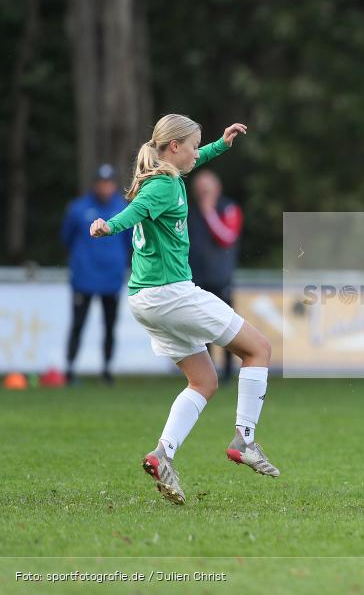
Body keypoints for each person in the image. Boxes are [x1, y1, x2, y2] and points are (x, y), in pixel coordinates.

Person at [89, 114, 279, 505]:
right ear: (174, 147)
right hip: (171, 294)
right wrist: (108, 226)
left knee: (203, 381)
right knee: (259, 349)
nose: (197, 153)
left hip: (144, 300)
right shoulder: (163, 186)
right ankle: (244, 439)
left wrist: (220, 145)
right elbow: (135, 211)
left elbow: (189, 164)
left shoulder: (164, 175)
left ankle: (163, 453)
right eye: (193, 146)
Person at [61, 163, 130, 385]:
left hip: (111, 279)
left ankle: (107, 370)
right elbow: (66, 238)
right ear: (95, 184)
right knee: (78, 324)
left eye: (109, 183)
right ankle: (70, 368)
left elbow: (130, 242)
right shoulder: (78, 208)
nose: (105, 187)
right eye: (102, 182)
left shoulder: (123, 209)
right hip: (84, 278)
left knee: (110, 326)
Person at [188, 169, 244, 381]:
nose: (203, 193)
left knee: (227, 325)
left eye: (207, 189)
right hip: (197, 279)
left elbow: (227, 237)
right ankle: (207, 372)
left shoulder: (228, 208)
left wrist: (209, 213)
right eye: (200, 189)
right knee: (202, 329)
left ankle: (228, 371)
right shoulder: (190, 212)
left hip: (221, 277)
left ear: (217, 188)